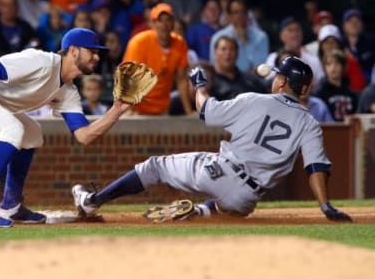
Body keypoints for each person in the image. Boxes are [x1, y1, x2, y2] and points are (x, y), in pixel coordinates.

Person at [72, 56, 352, 223]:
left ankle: (93, 201)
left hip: (219, 172)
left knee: (155, 166)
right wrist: (325, 205)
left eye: (278, 74)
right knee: (225, 207)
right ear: (303, 90)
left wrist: (199, 86)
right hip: (247, 199)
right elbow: (316, 168)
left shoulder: (255, 100)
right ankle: (198, 213)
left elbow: (205, 110)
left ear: (280, 82)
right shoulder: (310, 123)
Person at [0, 27, 132, 228]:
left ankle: (11, 207)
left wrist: (116, 111)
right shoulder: (41, 61)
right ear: (73, 51)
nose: (96, 57)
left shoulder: (68, 91)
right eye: (92, 51)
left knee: (32, 133)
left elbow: (84, 136)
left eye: (97, 52)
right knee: (14, 129)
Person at [123, 2, 193, 115]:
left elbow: (182, 79)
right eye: (160, 20)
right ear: (153, 23)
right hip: (137, 109)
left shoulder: (180, 44)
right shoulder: (138, 43)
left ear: (173, 23)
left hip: (162, 108)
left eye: (168, 20)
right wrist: (129, 110)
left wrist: (189, 112)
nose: (164, 24)